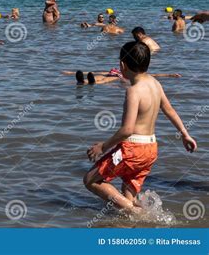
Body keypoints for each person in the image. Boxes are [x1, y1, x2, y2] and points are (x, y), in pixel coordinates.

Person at [83, 41, 197, 213]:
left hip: (132, 149)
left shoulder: (133, 91)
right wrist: (185, 134)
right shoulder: (155, 84)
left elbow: (127, 130)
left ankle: (137, 212)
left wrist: (103, 146)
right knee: (126, 197)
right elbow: (169, 110)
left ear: (122, 65)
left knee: (90, 180)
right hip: (150, 149)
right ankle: (132, 218)